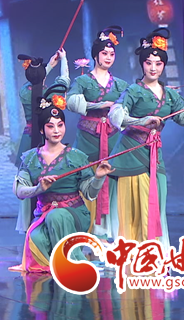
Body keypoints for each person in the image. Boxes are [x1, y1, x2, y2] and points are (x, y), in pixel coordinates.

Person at [108, 28, 184, 248]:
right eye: (148, 63)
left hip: (154, 155)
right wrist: (143, 121)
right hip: (130, 152)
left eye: (158, 63)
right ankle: (133, 251)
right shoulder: (133, 90)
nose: (153, 68)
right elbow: (116, 115)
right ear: (142, 64)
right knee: (134, 209)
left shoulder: (170, 94)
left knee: (157, 204)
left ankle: (153, 249)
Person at [9, 84, 114, 273]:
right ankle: (54, 262)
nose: (56, 130)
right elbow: (19, 190)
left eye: (60, 125)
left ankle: (70, 262)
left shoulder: (76, 156)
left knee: (56, 216)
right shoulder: (31, 158)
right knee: (36, 238)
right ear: (42, 130)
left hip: (74, 214)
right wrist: (38, 189)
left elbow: (89, 194)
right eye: (50, 126)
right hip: (44, 214)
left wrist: (98, 177)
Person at [66, 27, 129, 239]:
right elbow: (71, 102)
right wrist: (99, 105)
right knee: (87, 180)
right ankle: (86, 231)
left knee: (112, 181)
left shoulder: (120, 84)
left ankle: (109, 231)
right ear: (95, 55)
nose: (108, 57)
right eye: (104, 53)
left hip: (112, 138)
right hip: (88, 139)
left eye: (112, 54)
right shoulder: (83, 81)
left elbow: (130, 106)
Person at [14, 50, 69, 235]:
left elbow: (36, 79)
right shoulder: (50, 94)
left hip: (28, 139)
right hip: (46, 141)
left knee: (28, 181)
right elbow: (64, 80)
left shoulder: (24, 92)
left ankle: (28, 224)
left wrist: (49, 65)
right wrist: (63, 60)